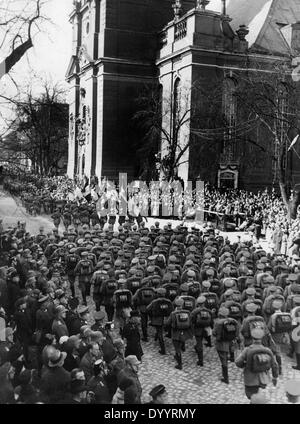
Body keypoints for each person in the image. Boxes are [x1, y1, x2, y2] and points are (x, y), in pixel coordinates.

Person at [235, 327, 279, 399]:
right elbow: (274, 365)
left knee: (252, 398)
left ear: (252, 338)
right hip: (263, 380)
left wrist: (245, 365)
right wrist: (275, 377)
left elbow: (237, 362)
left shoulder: (247, 350)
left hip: (250, 380)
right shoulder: (267, 350)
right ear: (262, 338)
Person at [213, 306, 240, 384]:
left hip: (221, 343)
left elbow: (214, 333)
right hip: (231, 342)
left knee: (223, 360)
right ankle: (232, 357)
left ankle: (226, 378)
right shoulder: (234, 321)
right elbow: (237, 332)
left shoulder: (218, 322)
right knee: (227, 354)